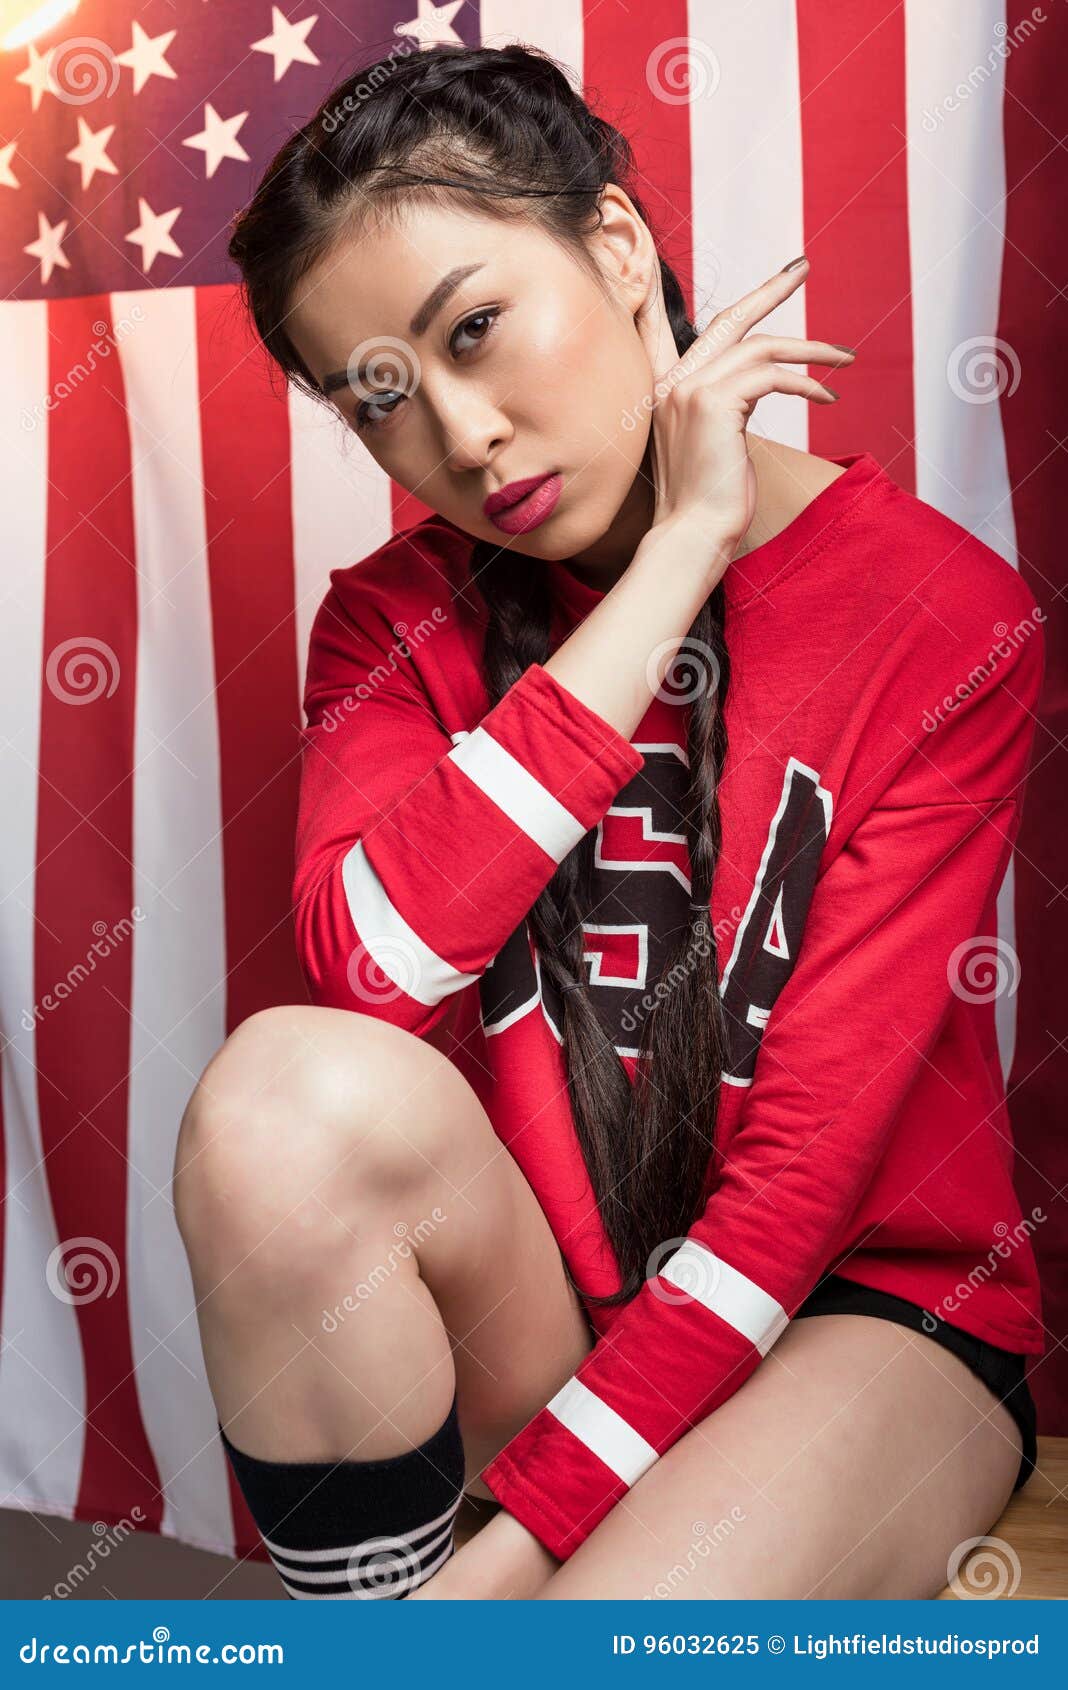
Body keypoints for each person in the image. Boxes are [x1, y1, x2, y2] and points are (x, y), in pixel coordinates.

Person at [173, 42, 1045, 1601]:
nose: (463, 430)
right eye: (382, 400)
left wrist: (508, 1566)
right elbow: (372, 970)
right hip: (558, 1311)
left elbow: (798, 1189)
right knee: (274, 1102)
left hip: (855, 1308)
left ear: (621, 247)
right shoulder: (388, 626)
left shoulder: (941, 616)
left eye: (478, 328)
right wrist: (676, 558)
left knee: (586, 1644)